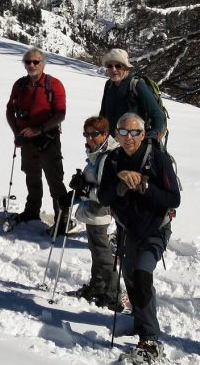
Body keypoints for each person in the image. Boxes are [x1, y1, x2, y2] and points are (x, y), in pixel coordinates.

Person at [97, 113, 180, 363]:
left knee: (143, 275)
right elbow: (104, 197)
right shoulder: (112, 160)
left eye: (134, 133)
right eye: (123, 132)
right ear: (116, 135)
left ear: (143, 135)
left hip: (155, 229)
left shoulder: (158, 159)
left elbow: (173, 199)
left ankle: (151, 339)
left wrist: (145, 187)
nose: (129, 138)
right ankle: (141, 321)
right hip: (127, 230)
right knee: (131, 278)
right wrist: (120, 181)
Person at [5, 47, 70, 234]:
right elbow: (10, 110)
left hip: (48, 138)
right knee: (31, 175)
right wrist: (17, 132)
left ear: (43, 64)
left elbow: (61, 113)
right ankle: (32, 210)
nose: (32, 65)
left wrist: (39, 129)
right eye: (28, 62)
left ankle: (62, 219)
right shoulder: (19, 85)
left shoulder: (54, 84)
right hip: (26, 139)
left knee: (54, 179)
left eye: (36, 62)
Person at [64, 116, 121, 310]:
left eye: (94, 134)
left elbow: (106, 192)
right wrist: (79, 187)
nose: (89, 138)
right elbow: (93, 182)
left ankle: (113, 294)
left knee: (102, 252)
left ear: (105, 134)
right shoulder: (98, 152)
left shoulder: (108, 156)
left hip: (100, 210)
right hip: (93, 210)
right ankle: (99, 287)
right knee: (96, 249)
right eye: (86, 134)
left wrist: (83, 190)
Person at [99, 49, 166, 144]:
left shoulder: (136, 85)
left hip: (133, 143)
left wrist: (153, 135)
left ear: (127, 68)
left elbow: (157, 114)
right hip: (111, 142)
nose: (113, 69)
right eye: (110, 66)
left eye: (118, 66)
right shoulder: (109, 85)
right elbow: (103, 113)